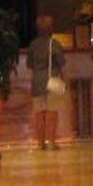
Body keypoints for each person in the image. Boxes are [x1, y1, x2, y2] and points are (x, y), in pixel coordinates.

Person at [27, 15, 65, 150]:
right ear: (51, 29)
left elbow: (29, 64)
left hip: (37, 81)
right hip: (52, 80)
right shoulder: (55, 44)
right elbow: (62, 62)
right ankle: (52, 142)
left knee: (39, 113)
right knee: (52, 112)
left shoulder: (33, 45)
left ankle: (40, 143)